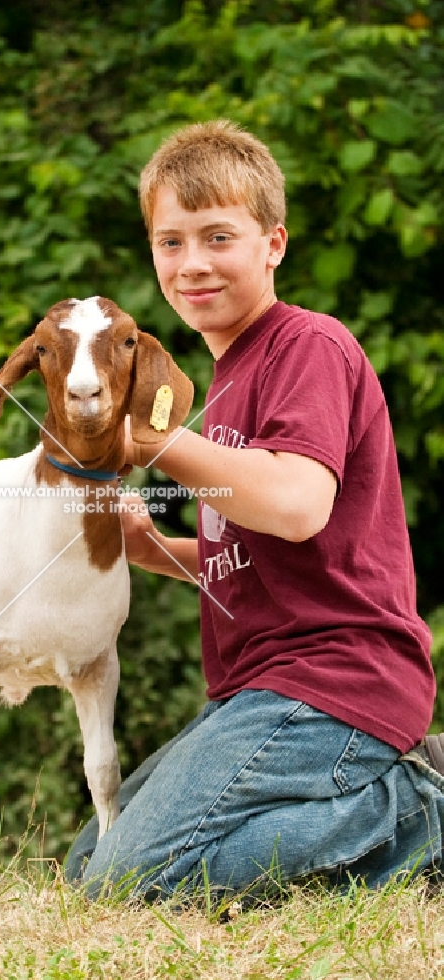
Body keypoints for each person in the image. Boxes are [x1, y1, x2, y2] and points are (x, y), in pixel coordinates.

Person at [64, 119, 444, 903]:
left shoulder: (308, 346)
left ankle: (417, 813)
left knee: (121, 889)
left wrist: (152, 439)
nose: (192, 263)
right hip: (258, 689)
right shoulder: (226, 384)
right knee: (86, 863)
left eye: (218, 237)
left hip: (334, 680)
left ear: (273, 243)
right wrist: (149, 547)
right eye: (170, 242)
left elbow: (297, 507)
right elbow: (259, 558)